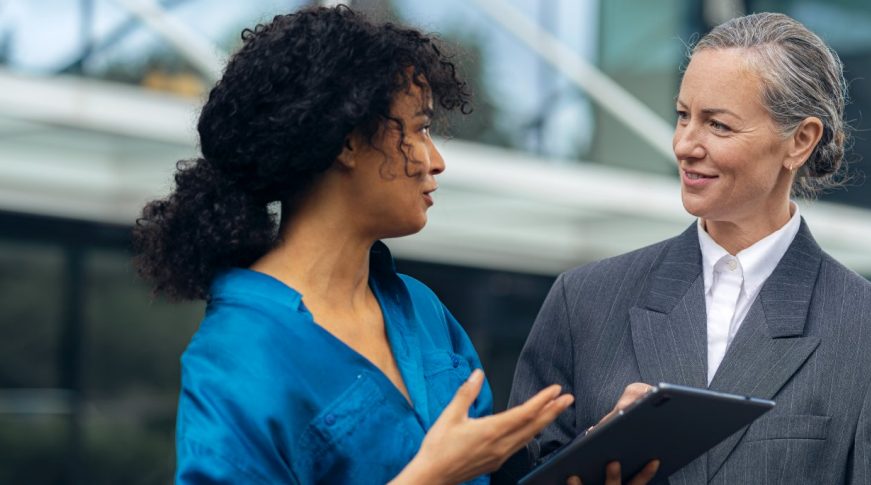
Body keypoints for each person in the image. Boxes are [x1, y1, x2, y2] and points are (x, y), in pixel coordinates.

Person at [132, 7, 601, 484]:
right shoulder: (238, 352)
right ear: (347, 141)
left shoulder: (420, 309)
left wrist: (594, 459)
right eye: (418, 129)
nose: (435, 160)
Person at [503, 12, 871, 485]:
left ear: (801, 141)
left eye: (718, 126)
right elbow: (517, 474)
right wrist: (597, 447)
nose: (685, 144)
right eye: (683, 116)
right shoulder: (583, 302)